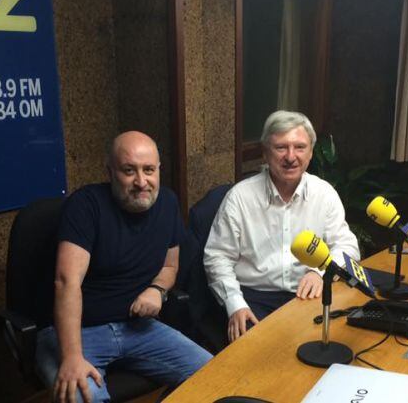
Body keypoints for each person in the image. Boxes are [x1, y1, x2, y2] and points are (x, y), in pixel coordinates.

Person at [36, 131, 211, 403]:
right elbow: (66, 281)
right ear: (110, 171)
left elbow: (170, 264)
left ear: (159, 170)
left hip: (138, 328)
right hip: (77, 333)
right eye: (129, 171)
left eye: (149, 170)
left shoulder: (167, 202)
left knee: (214, 373)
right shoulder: (85, 205)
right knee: (83, 397)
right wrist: (72, 357)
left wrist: (157, 289)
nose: (141, 181)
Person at [204, 110, 359, 343]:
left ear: (310, 153)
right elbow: (217, 257)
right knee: (263, 359)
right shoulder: (240, 197)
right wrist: (235, 303)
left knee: (339, 343)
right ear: (265, 152)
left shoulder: (324, 193)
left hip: (309, 295)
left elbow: (347, 246)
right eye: (281, 147)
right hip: (255, 298)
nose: (290, 156)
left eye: (299, 147)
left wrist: (319, 273)